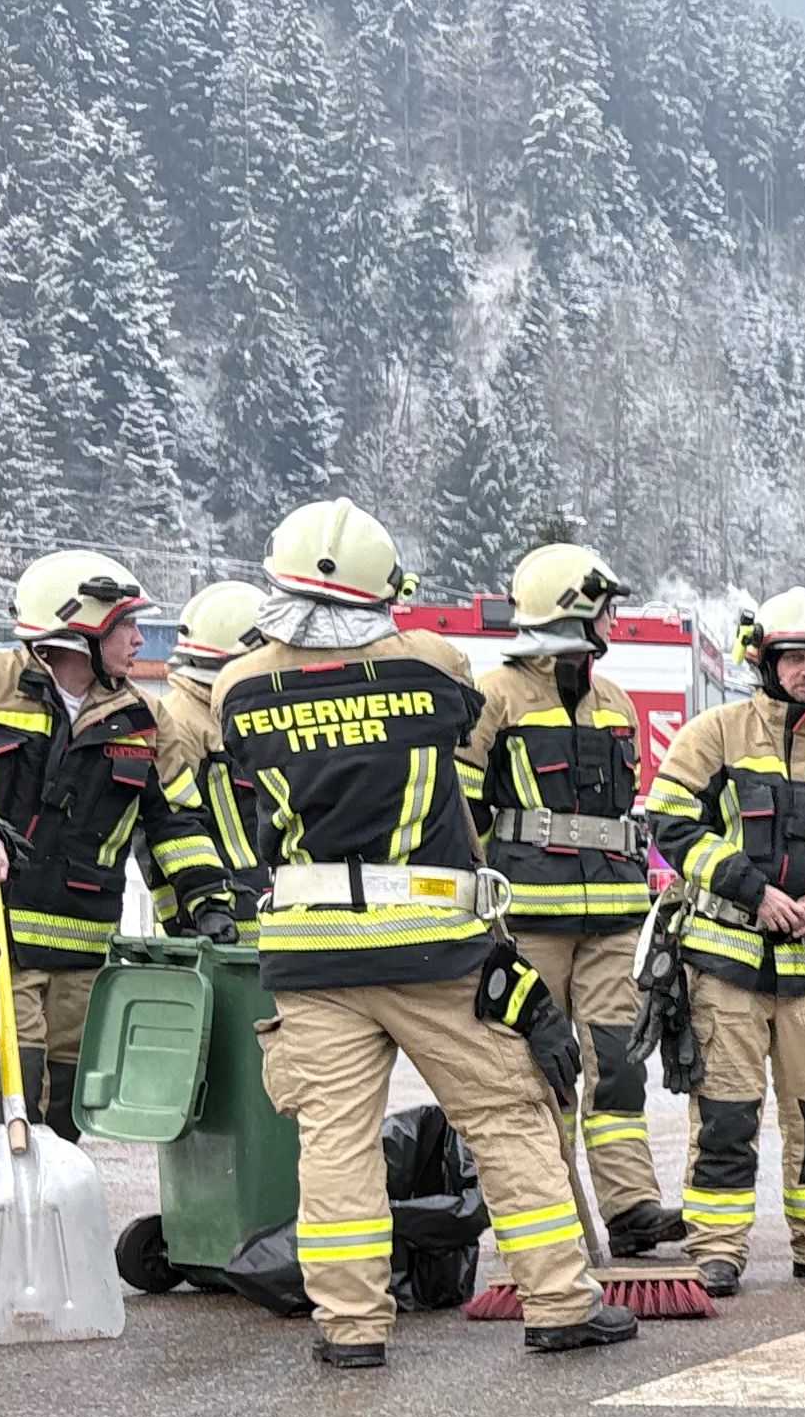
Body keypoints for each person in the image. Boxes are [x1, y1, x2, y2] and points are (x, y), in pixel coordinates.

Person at [214, 497, 638, 1369]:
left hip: (309, 951)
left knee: (335, 1138)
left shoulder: (240, 684)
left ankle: (351, 1326)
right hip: (431, 946)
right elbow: (448, 717)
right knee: (507, 1115)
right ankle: (558, 1301)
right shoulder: (431, 665)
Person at [640, 589, 805, 1297]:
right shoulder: (714, 735)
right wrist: (749, 889)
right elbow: (670, 823)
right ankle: (717, 1248)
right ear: (767, 660)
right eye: (794, 658)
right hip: (727, 964)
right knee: (725, 1116)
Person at [0, 551, 233, 1138]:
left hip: (84, 955)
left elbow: (176, 823)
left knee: (64, 1117)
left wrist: (210, 907)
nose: (137, 638)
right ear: (77, 630)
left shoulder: (145, 719)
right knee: (11, 1109)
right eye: (124, 625)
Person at [462, 544, 682, 1255]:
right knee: (539, 1067)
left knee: (617, 1062)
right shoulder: (492, 695)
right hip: (528, 917)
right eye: (605, 607)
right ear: (575, 611)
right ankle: (552, 1214)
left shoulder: (614, 700)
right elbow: (461, 807)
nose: (613, 619)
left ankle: (630, 1207)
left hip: (613, 916)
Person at [148, 580, 270, 937]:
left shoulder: (225, 713)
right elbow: (167, 830)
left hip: (254, 916)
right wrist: (198, 913)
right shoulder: (181, 724)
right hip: (219, 924)